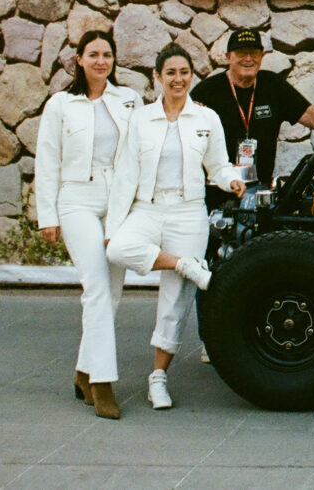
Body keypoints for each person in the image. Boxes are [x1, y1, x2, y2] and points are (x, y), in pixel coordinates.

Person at [107, 43, 244, 410]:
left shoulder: (206, 118)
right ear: (158, 77)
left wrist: (231, 179)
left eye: (184, 72)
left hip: (188, 212)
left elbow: (218, 166)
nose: (178, 79)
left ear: (191, 76)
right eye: (170, 73)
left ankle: (158, 377)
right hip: (147, 209)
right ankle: (183, 263)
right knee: (117, 249)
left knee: (176, 300)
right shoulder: (141, 120)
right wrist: (113, 226)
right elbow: (124, 175)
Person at [33, 28, 141, 420]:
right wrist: (48, 216)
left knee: (111, 291)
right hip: (77, 198)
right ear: (78, 59)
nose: (101, 61)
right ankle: (102, 381)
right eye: (93, 54)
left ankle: (83, 371)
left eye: (107, 55)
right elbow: (47, 160)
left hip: (118, 202)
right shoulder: (61, 104)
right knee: (96, 286)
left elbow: (142, 149)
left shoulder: (129, 99)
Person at [191, 28, 314, 191]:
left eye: (254, 53)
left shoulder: (273, 85)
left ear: (262, 56)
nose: (248, 59)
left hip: (260, 191)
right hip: (216, 190)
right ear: (228, 57)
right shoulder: (206, 91)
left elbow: (309, 114)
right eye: (241, 53)